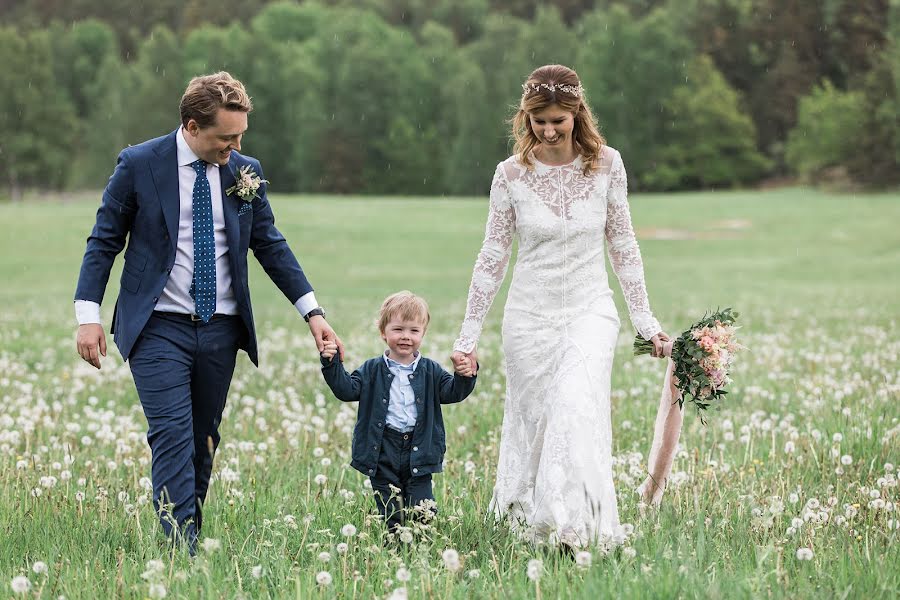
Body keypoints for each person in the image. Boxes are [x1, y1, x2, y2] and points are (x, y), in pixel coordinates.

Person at [73, 72, 343, 552]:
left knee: (202, 440)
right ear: (192, 127)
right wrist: (87, 314)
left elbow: (271, 246)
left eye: (240, 136)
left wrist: (313, 313)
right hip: (157, 327)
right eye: (226, 137)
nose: (235, 146)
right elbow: (104, 241)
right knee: (172, 434)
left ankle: (185, 531)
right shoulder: (139, 164)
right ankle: (181, 549)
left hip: (220, 329)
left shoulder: (244, 170)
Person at [451, 64, 669, 551]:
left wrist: (645, 320)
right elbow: (492, 255)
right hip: (528, 318)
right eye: (537, 121)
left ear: (577, 115)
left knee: (576, 407)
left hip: (591, 310)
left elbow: (623, 244)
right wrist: (467, 336)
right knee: (538, 421)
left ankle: (575, 527)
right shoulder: (509, 176)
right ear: (525, 119)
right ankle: (532, 522)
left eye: (558, 121)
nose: (548, 132)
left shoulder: (608, 165)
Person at [320, 291, 476, 535]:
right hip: (382, 450)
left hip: (420, 449)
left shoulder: (431, 370)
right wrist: (331, 363)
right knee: (391, 512)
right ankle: (394, 546)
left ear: (423, 334)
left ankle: (420, 549)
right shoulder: (372, 369)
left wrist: (464, 375)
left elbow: (452, 393)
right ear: (383, 332)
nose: (406, 337)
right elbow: (346, 389)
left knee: (423, 511)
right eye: (398, 329)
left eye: (414, 331)